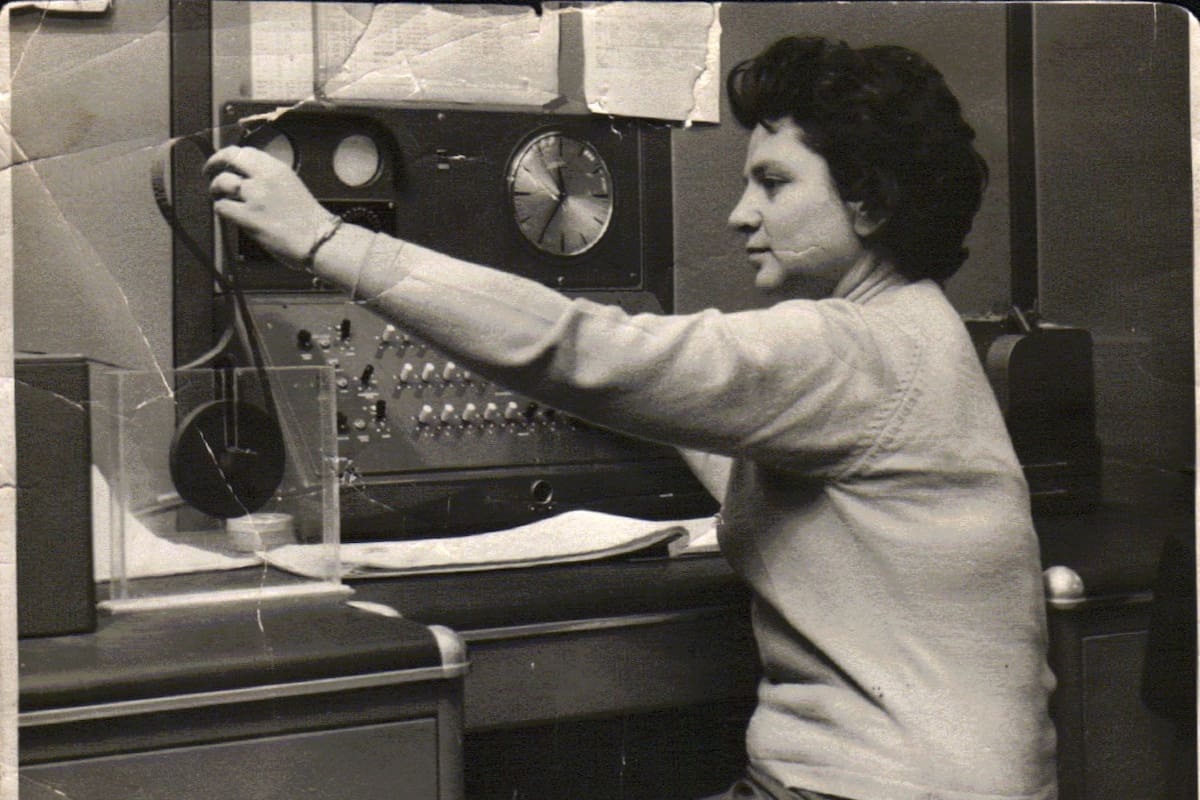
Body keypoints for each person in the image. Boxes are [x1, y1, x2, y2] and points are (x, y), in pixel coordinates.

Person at [205, 35, 1058, 800]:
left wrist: (325, 240)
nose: (739, 215)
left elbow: (588, 349)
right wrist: (616, 394)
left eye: (773, 182)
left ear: (868, 203)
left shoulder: (852, 350)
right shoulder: (912, 332)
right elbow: (697, 416)